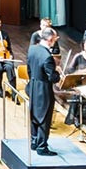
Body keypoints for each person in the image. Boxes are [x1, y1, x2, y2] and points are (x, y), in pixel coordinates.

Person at [24, 25, 58, 155]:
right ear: (49, 39)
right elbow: (52, 78)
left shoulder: (32, 49)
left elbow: (29, 68)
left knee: (34, 115)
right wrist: (58, 72)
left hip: (32, 85)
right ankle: (42, 146)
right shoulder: (47, 57)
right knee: (44, 117)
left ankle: (34, 141)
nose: (54, 42)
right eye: (54, 40)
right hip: (43, 89)